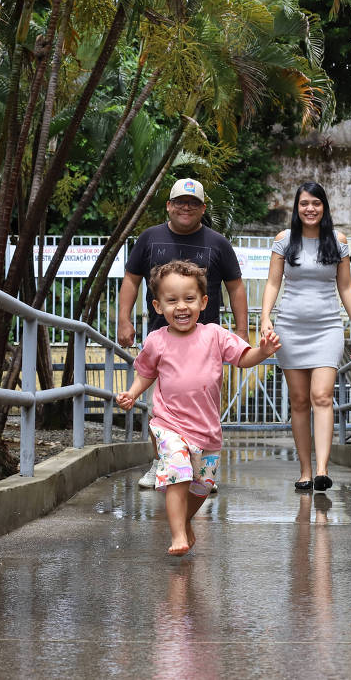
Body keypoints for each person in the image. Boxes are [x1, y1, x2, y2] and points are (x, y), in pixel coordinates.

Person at [117, 260, 280, 555]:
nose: (182, 307)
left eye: (189, 299)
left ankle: (185, 522)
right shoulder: (157, 340)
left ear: (203, 302)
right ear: (157, 306)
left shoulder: (214, 335)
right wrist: (131, 393)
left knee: (202, 485)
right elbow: (146, 373)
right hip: (169, 425)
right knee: (178, 471)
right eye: (172, 300)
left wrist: (263, 351)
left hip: (207, 431)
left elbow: (242, 358)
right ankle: (178, 535)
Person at [118, 177, 249, 490]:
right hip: (163, 337)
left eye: (193, 203)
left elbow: (236, 286)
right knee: (159, 409)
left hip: (205, 343)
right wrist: (124, 319)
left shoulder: (218, 243)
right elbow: (131, 279)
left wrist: (242, 330)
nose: (185, 208)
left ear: (203, 208)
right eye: (179, 202)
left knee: (201, 403)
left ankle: (200, 467)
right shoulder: (149, 238)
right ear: (169, 205)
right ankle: (162, 462)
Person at [260, 182, 351, 492]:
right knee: (300, 401)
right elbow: (273, 284)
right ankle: (305, 470)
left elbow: (345, 287)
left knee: (322, 396)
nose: (310, 209)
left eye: (316, 203)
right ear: (297, 207)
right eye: (304, 203)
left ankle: (322, 470)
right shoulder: (284, 241)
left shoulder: (338, 241)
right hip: (290, 327)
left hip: (327, 328)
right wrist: (266, 317)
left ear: (324, 207)